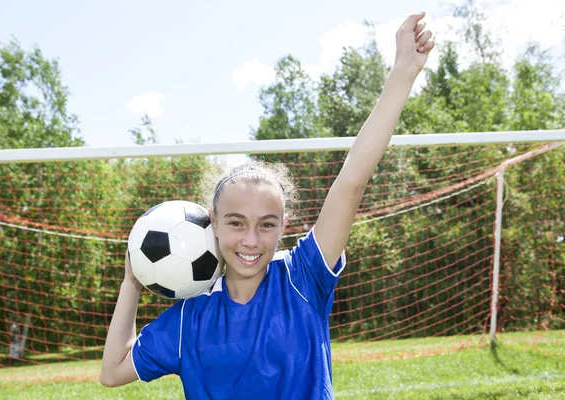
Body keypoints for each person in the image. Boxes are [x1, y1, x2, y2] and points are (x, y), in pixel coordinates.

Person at [100, 12, 435, 399]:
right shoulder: (189, 319)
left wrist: (404, 72)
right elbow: (112, 371)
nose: (252, 240)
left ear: (283, 224)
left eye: (266, 224)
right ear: (213, 222)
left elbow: (351, 183)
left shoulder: (303, 278)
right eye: (237, 223)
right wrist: (131, 283)